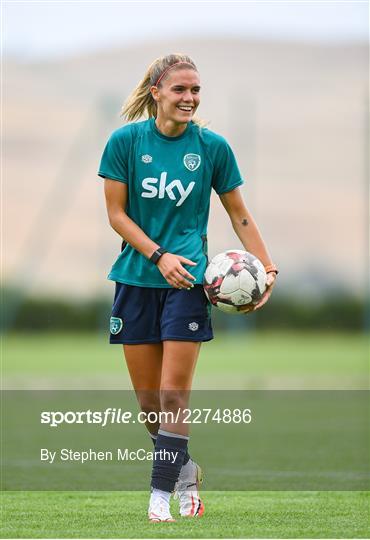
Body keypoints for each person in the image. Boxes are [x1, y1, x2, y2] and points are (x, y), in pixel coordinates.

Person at [98, 53, 278, 522]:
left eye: (195, 90)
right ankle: (183, 473)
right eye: (179, 90)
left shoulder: (213, 148)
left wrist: (268, 268)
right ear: (156, 91)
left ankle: (160, 497)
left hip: (189, 284)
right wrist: (158, 256)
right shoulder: (124, 143)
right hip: (137, 280)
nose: (190, 98)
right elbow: (117, 215)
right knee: (149, 406)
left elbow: (239, 214)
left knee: (174, 395)